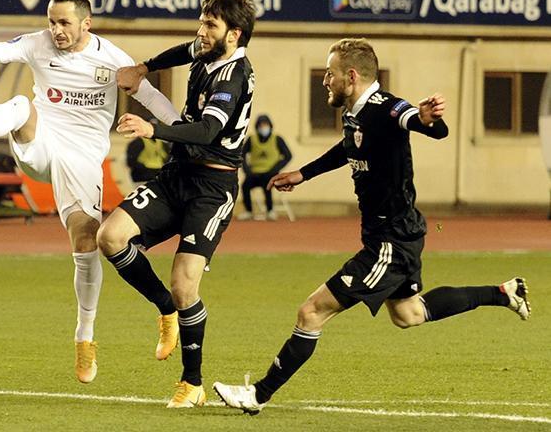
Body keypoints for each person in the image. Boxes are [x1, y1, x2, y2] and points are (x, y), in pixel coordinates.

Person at [213, 38, 531, 416]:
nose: (325, 81)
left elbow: (415, 120)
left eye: (329, 74)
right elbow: (348, 147)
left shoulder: (385, 107)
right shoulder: (355, 112)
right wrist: (303, 174)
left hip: (390, 242)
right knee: (408, 314)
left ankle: (257, 395)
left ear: (351, 76)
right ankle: (504, 293)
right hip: (397, 234)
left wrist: (428, 119)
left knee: (311, 311)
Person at [0, 0, 179, 384]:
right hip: (41, 143)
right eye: (52, 22)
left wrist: (183, 133)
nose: (56, 30)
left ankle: (84, 338)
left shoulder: (114, 60)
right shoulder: (39, 44)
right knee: (21, 106)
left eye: (64, 23)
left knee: (86, 243)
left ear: (86, 23)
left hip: (81, 159)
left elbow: (154, 99)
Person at [97, 0, 257, 409]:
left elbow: (207, 130)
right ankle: (164, 307)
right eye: (202, 22)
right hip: (178, 174)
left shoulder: (233, 76)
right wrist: (144, 68)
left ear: (234, 34)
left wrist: (153, 128)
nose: (201, 31)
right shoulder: (208, 51)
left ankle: (192, 382)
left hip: (212, 187)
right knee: (110, 237)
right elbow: (182, 52)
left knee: (186, 284)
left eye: (210, 25)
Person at [238, 114, 292, 221]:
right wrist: (247, 170)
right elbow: (241, 155)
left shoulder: (277, 139)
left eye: (265, 125)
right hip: (254, 173)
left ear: (270, 126)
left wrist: (275, 169)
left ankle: (270, 210)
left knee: (267, 186)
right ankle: (248, 211)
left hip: (270, 173)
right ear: (257, 127)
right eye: (261, 125)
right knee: (245, 186)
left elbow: (288, 156)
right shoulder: (252, 139)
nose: (263, 128)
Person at [125, 119, 169, 183]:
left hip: (148, 174)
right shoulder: (139, 142)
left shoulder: (139, 142)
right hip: (146, 175)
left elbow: (130, 161)